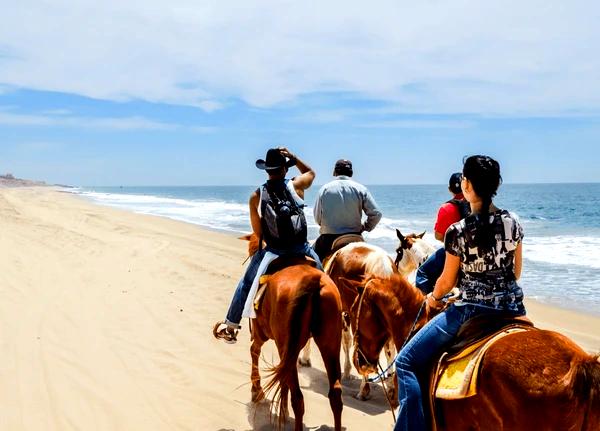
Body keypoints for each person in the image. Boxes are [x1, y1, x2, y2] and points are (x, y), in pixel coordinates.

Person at [394, 155, 525, 431]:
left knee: (404, 362)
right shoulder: (513, 221)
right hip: (514, 309)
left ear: (466, 186)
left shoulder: (458, 231)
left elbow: (444, 282)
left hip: (470, 311)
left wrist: (433, 297)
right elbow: (516, 273)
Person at [213, 147, 322, 344]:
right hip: (301, 248)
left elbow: (258, 232)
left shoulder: (256, 195)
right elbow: (311, 173)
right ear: (285, 169)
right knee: (323, 278)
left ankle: (231, 325)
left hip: (274, 251)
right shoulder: (297, 185)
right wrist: (294, 157)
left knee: (246, 283)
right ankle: (335, 314)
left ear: (266, 170)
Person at [312, 159, 382, 261]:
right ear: (351, 173)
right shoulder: (361, 189)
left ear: (335, 172)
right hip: (355, 237)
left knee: (310, 259)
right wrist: (365, 227)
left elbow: (317, 218)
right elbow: (377, 214)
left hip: (329, 239)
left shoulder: (325, 189)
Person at [415, 172, 469, 294]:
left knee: (422, 273)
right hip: (475, 250)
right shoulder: (475, 204)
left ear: (450, 189)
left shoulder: (446, 207)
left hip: (453, 252)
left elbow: (438, 236)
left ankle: (429, 305)